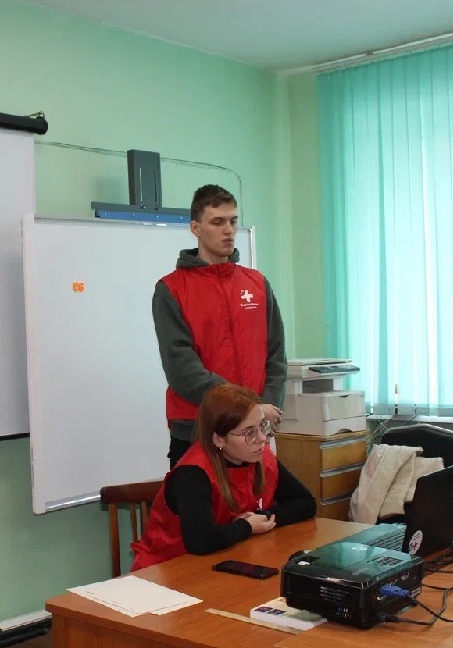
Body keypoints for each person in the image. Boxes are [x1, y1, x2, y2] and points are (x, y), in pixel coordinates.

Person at [153, 184, 287, 469]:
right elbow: (182, 370)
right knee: (202, 501)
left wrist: (263, 413)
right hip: (197, 431)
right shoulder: (171, 289)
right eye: (217, 222)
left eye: (233, 221)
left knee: (268, 499)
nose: (229, 230)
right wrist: (249, 409)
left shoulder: (257, 284)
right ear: (195, 228)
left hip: (254, 432)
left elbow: (276, 356)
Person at [130, 384, 315, 571]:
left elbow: (306, 502)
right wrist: (247, 526)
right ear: (218, 439)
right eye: (249, 432)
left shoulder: (261, 457)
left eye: (262, 426)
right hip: (166, 568)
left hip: (221, 558)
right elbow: (201, 541)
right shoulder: (193, 473)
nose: (262, 438)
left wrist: (263, 517)